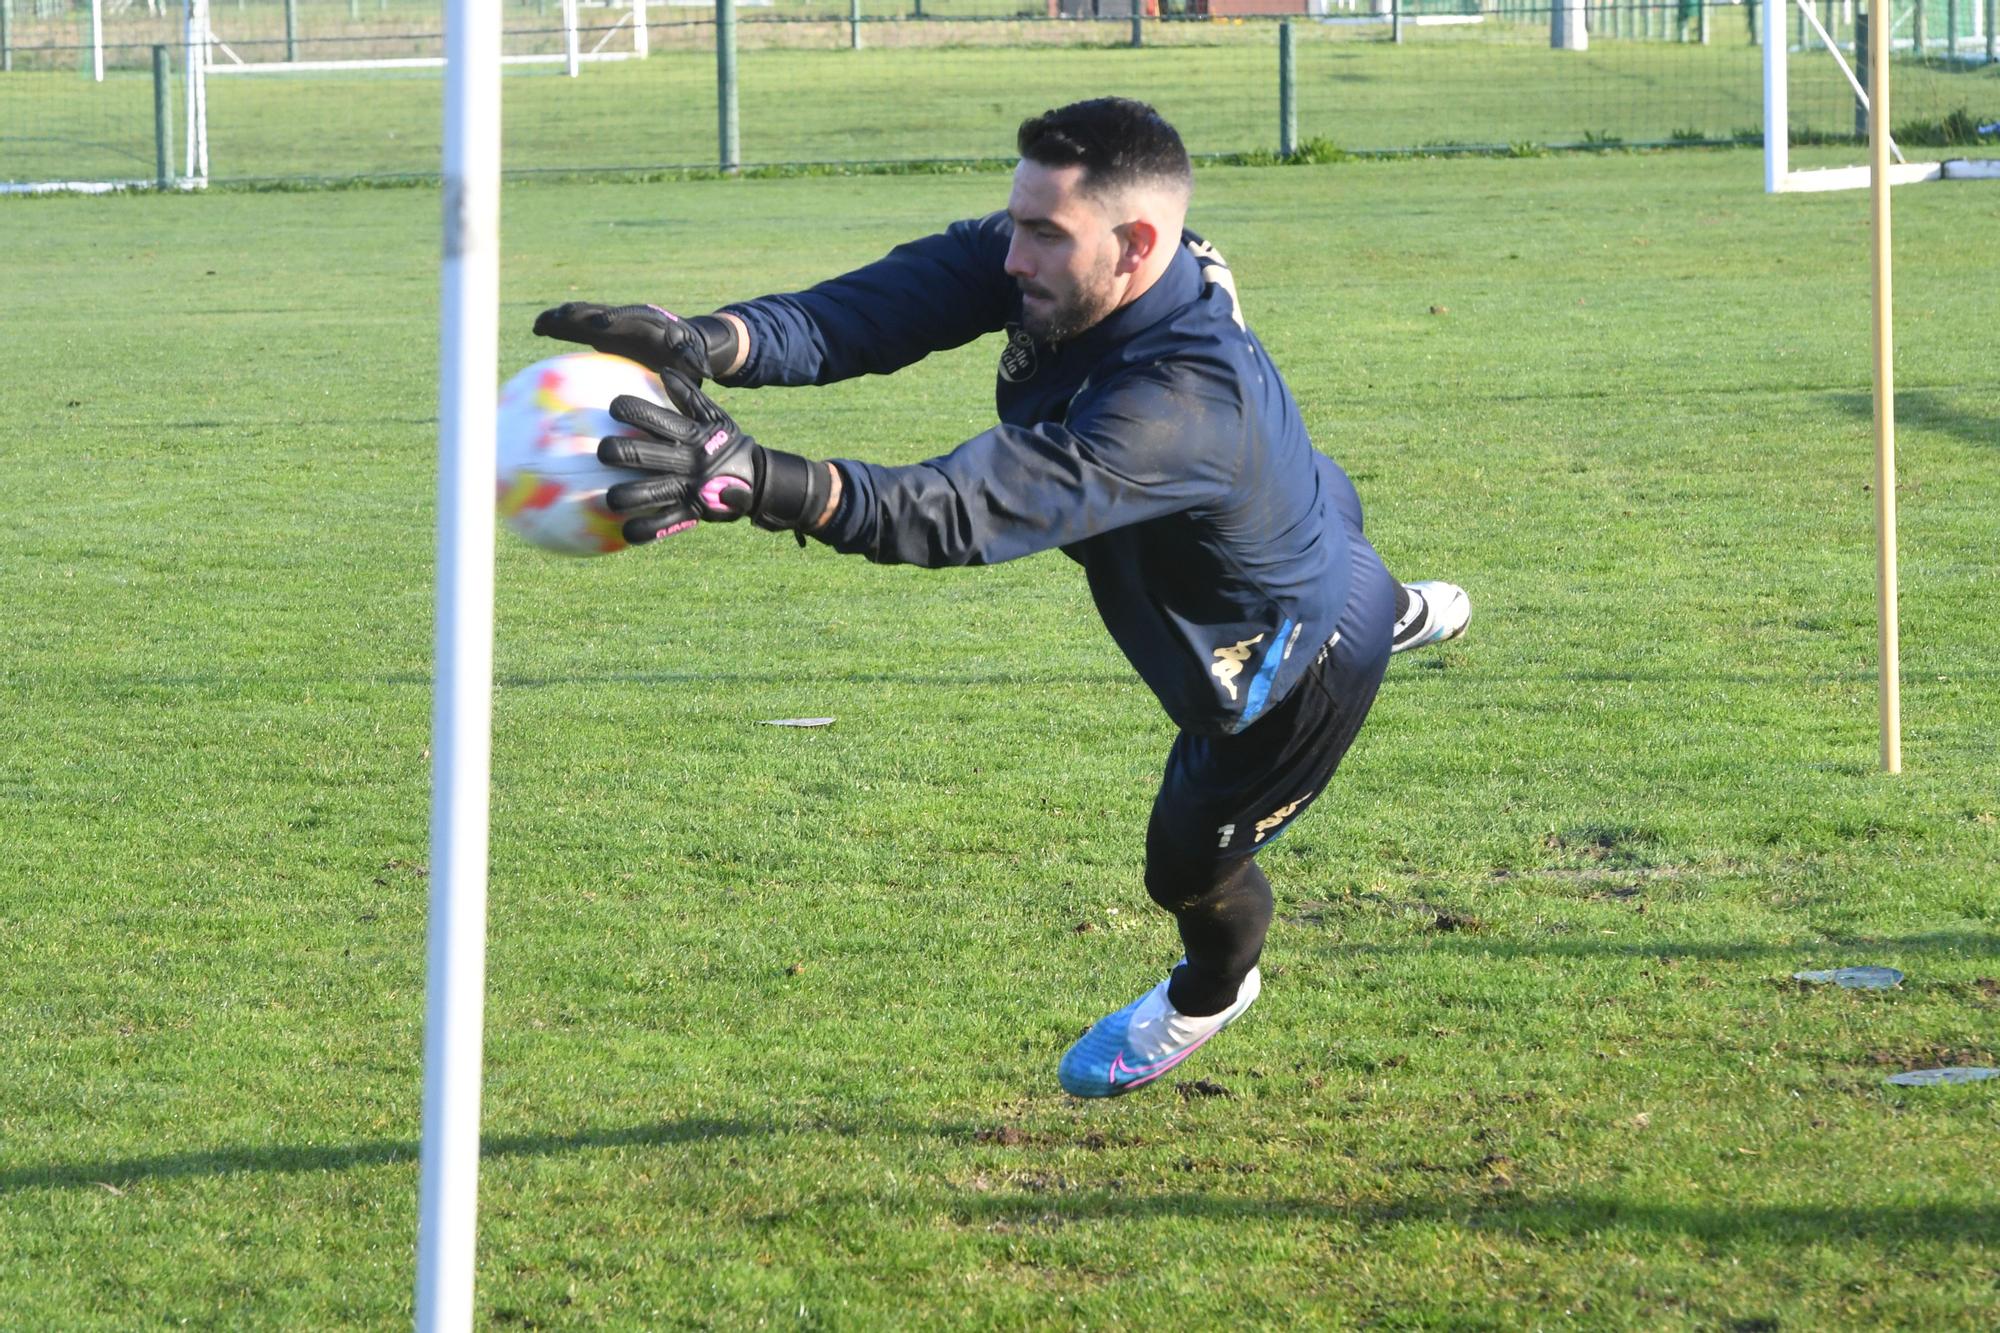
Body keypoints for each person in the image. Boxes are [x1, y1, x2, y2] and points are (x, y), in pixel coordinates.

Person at [532, 97, 1469, 1098]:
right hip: (1306, 514)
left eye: (1041, 235)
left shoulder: (1179, 410)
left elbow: (959, 510)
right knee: (1318, 563)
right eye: (1015, 220)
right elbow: (877, 308)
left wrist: (760, 481)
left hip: (1286, 678)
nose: (1011, 255)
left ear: (1135, 243)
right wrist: (705, 341)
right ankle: (1391, 607)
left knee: (1183, 872)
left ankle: (1207, 994)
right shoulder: (1083, 266)